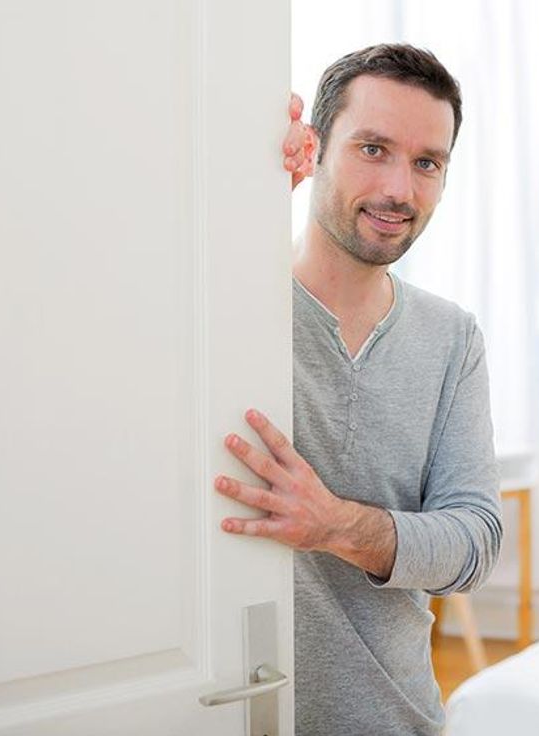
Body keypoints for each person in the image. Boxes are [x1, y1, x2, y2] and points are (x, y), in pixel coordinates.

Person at [212, 44, 503, 735]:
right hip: (232, 712)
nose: (401, 189)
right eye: (373, 148)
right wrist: (239, 201)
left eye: (427, 162)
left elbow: (475, 541)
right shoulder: (227, 310)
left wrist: (333, 524)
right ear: (311, 150)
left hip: (399, 720)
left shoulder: (451, 338)